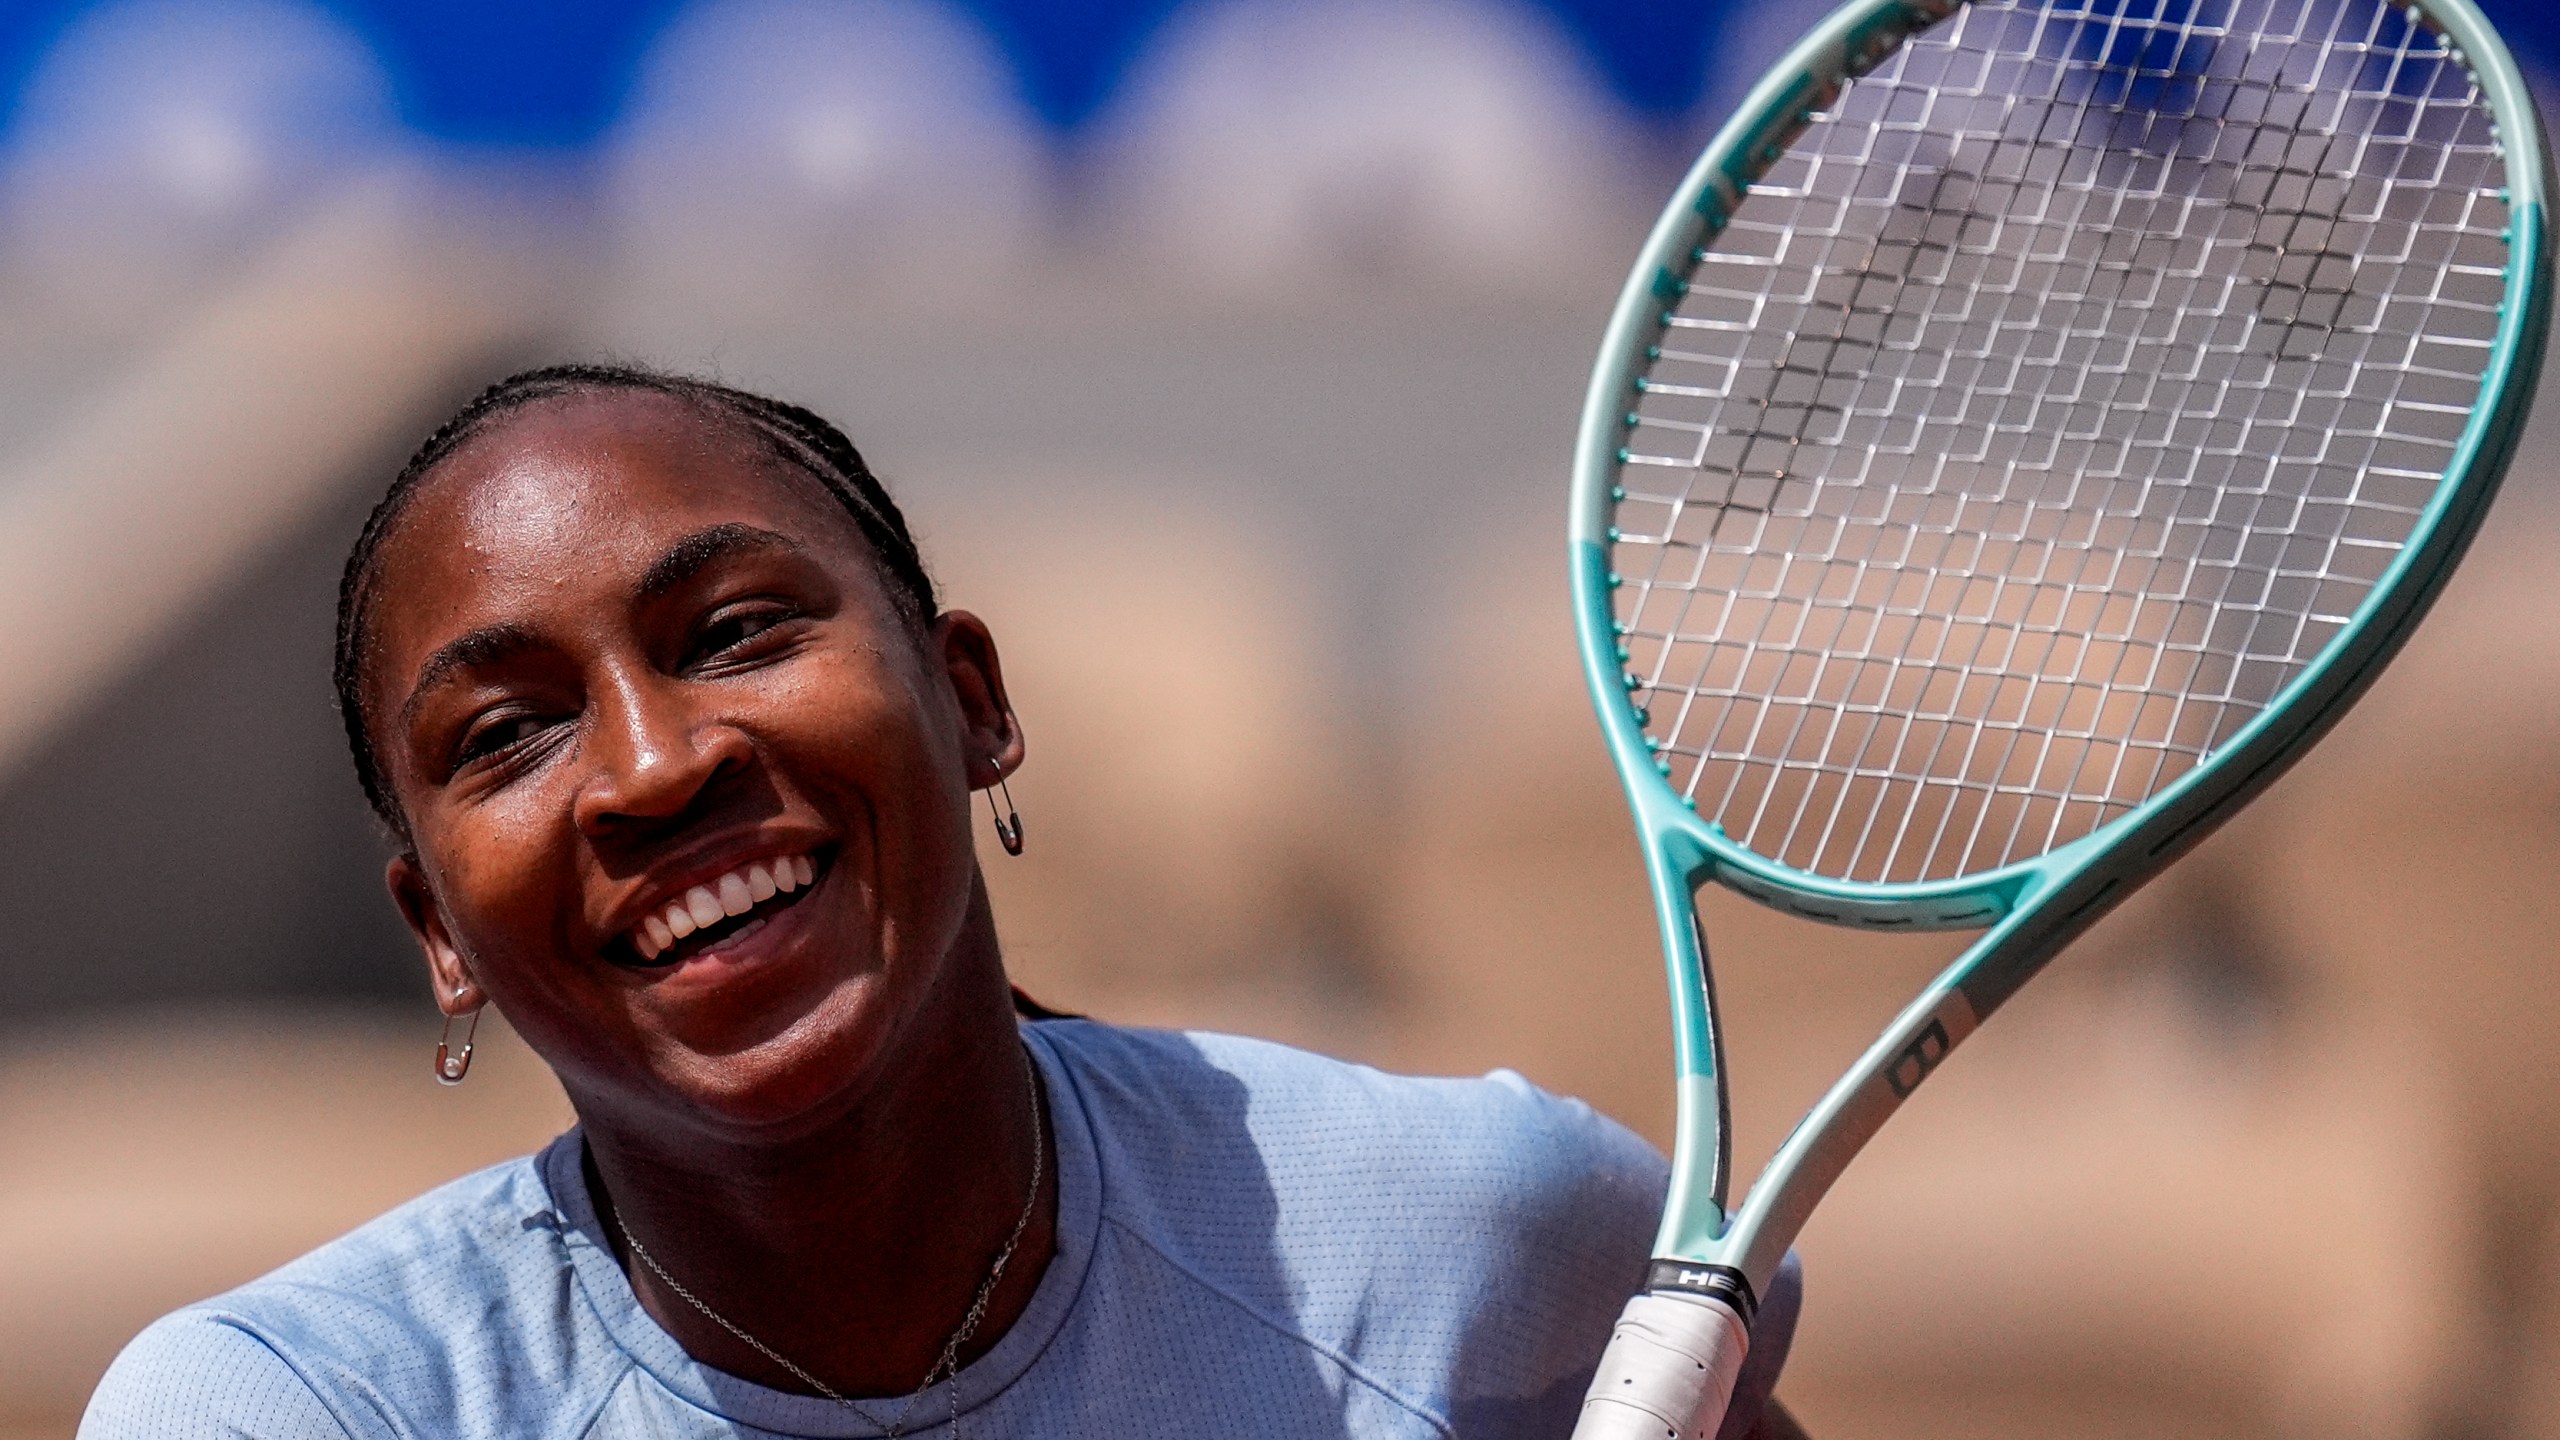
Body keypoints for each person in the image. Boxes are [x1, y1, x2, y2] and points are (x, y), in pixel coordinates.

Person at [79, 364, 1802, 1439]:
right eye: (511, 732)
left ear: (968, 700)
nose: (655, 767)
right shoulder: (292, 1412)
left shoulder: (1486, 1242)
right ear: (439, 931)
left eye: (739, 633)